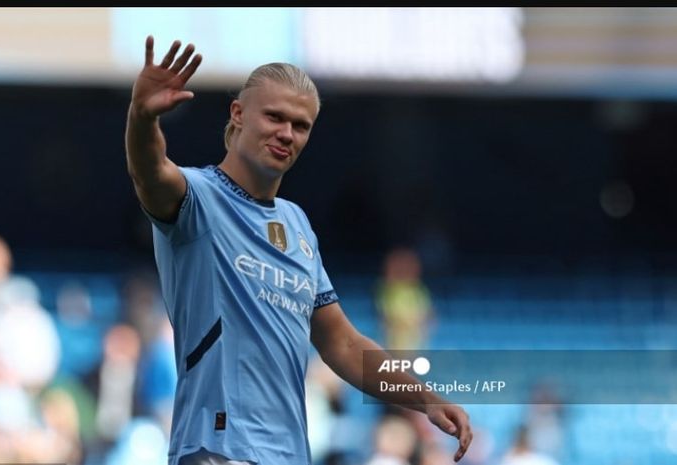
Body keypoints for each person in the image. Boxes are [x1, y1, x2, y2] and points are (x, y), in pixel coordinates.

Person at [125, 36, 472, 465]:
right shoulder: (197, 199)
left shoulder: (296, 225)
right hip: (216, 449)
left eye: (300, 125)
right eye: (274, 117)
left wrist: (425, 399)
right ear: (238, 114)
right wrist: (142, 118)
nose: (286, 133)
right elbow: (150, 172)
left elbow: (342, 343)